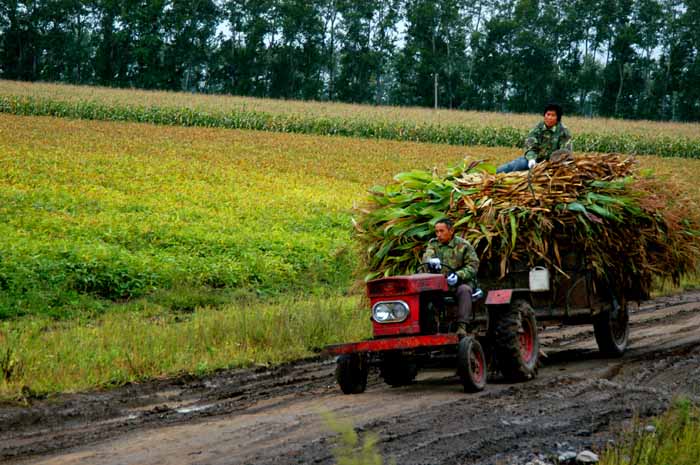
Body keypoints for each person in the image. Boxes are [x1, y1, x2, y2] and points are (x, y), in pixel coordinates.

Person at [422, 218, 480, 338]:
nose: (439, 235)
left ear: (451, 231)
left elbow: (473, 266)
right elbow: (427, 257)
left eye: (442, 231)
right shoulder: (433, 244)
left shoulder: (463, 245)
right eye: (437, 232)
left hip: (460, 283)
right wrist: (430, 261)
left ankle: (462, 326)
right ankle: (430, 328)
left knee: (464, 290)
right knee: (425, 294)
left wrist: (458, 275)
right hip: (440, 284)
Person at [496, 103, 573, 173]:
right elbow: (530, 145)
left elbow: (565, 152)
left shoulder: (563, 132)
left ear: (558, 118)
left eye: (553, 115)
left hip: (551, 164)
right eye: (548, 114)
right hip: (534, 159)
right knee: (508, 168)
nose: (549, 117)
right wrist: (532, 159)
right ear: (544, 115)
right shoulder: (537, 128)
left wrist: (556, 163)